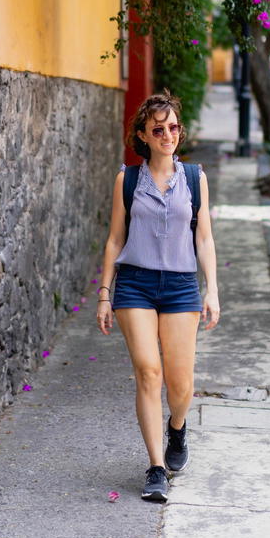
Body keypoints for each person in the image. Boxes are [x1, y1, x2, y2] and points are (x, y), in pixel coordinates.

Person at [96, 90, 220, 502]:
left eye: (173, 128)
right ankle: (155, 467)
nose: (167, 135)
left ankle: (178, 430)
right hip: (135, 284)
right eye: (158, 129)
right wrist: (104, 293)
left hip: (182, 285)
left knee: (180, 382)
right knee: (149, 372)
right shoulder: (127, 179)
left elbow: (204, 238)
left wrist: (212, 290)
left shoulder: (194, 178)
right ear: (143, 136)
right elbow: (115, 239)